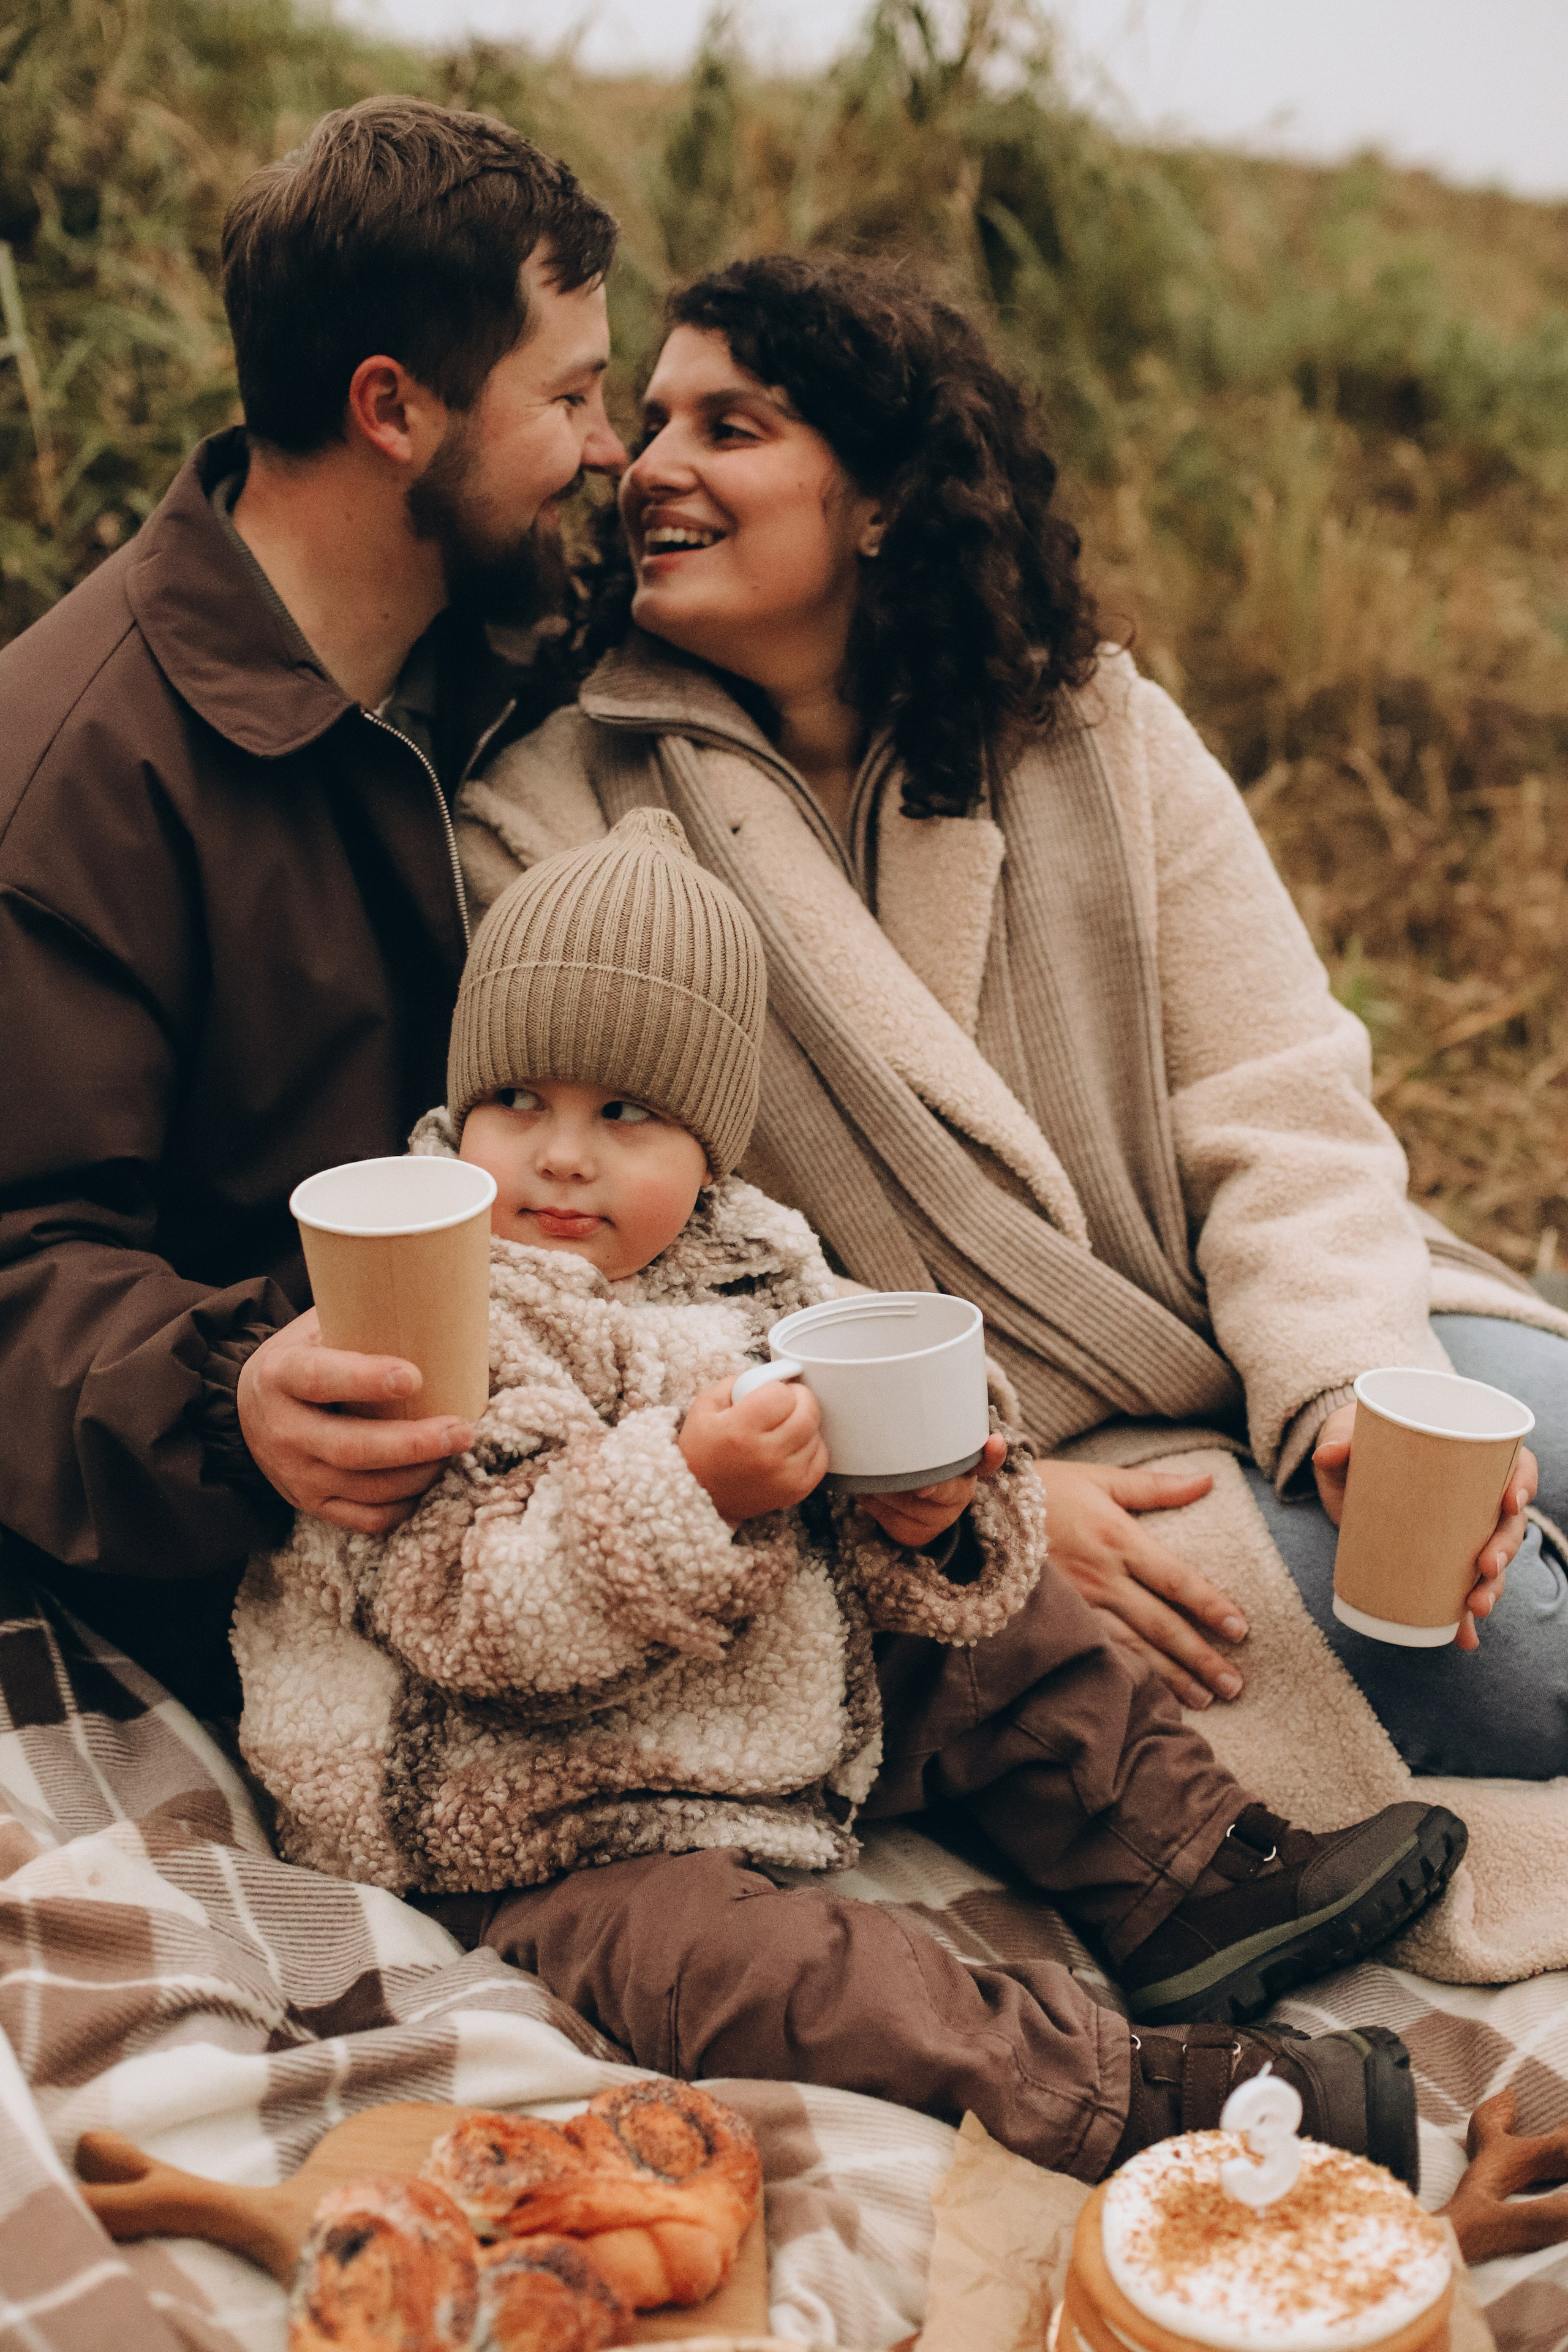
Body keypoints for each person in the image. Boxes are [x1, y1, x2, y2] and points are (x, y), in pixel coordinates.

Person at [456, 253, 1568, 1781]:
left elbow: (1276, 1098)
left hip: (1269, 1307)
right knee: (1516, 1667)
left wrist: (1342, 1389)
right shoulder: (549, 821)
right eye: (649, 424)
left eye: (728, 425)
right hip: (969, 1451)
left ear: (880, 499)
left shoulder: (1090, 725)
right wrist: (979, 1495)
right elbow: (632, 1282)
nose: (647, 467)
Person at [232, 805, 1460, 2186]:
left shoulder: (758, 1259)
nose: (562, 1154)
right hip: (521, 1808)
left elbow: (895, 1447)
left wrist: (927, 1510)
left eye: (624, 1113)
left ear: (710, 1151)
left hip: (731, 1702)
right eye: (518, 1101)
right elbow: (468, 1611)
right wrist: (693, 1488)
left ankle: (1186, 1874)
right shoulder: (433, 1291)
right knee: (754, 1976)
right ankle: (1112, 2092)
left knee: (1005, 1626)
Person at [0, 98, 627, 1712]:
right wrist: (229, 1402)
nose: (608, 448)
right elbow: (20, 1265)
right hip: (277, 1569)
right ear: (391, 410)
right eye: (569, 396)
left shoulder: (517, 653)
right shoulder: (71, 776)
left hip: (583, 1459)